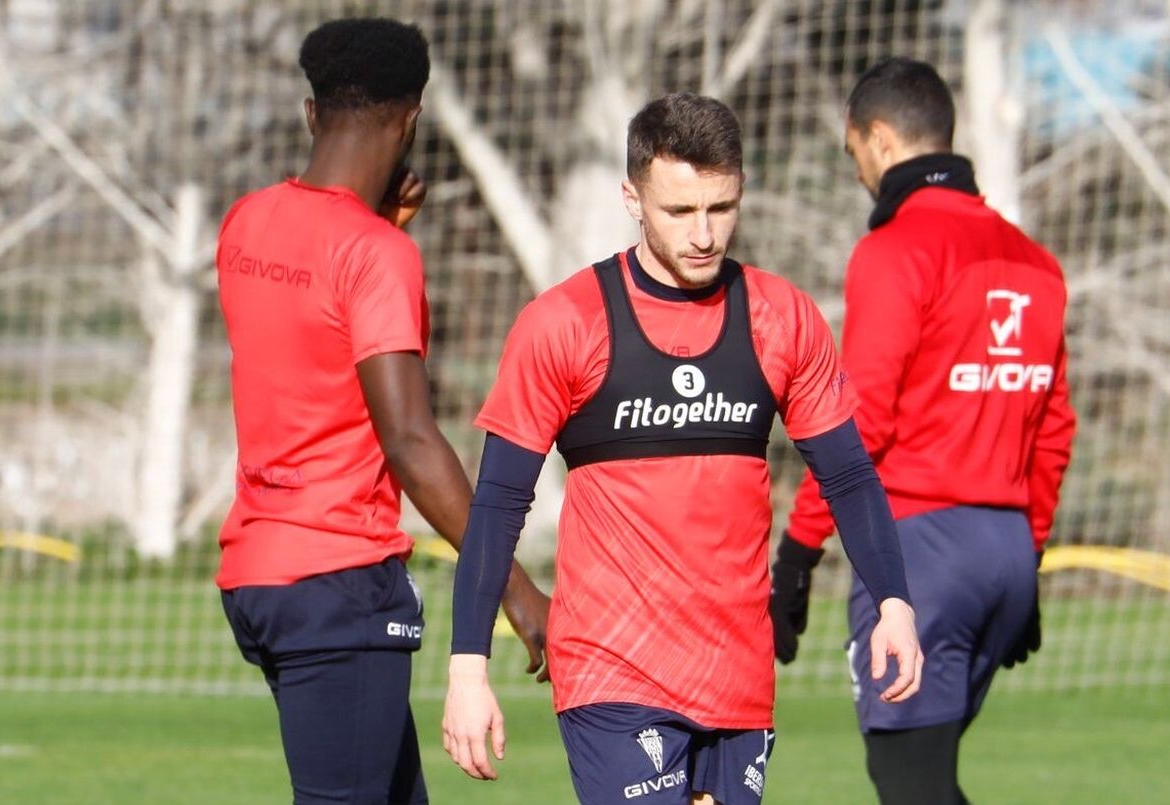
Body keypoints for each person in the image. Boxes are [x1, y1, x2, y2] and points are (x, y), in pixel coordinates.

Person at [439, 92, 924, 804]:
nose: (703, 234)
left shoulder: (782, 317)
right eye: (679, 211)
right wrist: (467, 668)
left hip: (738, 675)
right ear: (632, 198)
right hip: (612, 671)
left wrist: (894, 602)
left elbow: (848, 475)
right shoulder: (565, 322)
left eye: (720, 208)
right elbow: (499, 502)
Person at [213, 17, 550, 805]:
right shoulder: (376, 256)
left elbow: (308, 341)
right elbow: (409, 439)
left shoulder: (245, 223)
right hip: (338, 580)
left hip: (259, 573)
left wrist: (379, 227)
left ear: (311, 113)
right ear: (411, 121)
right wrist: (513, 589)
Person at [768, 58, 1076, 805]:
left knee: (910, 782)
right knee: (926, 780)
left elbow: (859, 419)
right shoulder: (1036, 262)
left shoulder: (896, 250)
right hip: (1005, 553)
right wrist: (1027, 555)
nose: (857, 173)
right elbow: (1054, 429)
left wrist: (800, 550)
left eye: (853, 153)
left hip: (922, 557)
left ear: (879, 139)